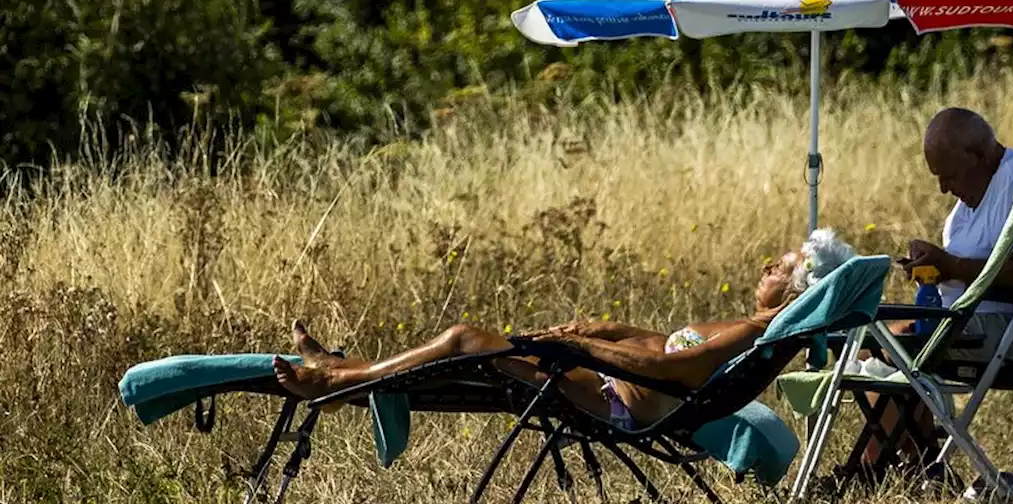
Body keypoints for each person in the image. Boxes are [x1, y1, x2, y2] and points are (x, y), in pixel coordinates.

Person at [273, 228, 859, 430]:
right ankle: (338, 373)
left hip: (611, 402)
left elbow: (662, 368)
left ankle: (333, 384)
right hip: (601, 379)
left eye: (781, 268)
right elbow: (662, 344)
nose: (767, 267)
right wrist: (609, 328)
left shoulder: (748, 336)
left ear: (800, 289)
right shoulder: (744, 328)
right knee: (470, 363)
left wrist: (580, 344)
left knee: (462, 342)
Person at [853, 107, 1013, 476]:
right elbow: (966, 271)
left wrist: (951, 267)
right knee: (872, 337)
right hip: (986, 323)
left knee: (896, 339)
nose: (943, 188)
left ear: (977, 155)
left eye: (948, 175)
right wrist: (932, 267)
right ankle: (917, 462)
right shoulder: (964, 209)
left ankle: (871, 468)